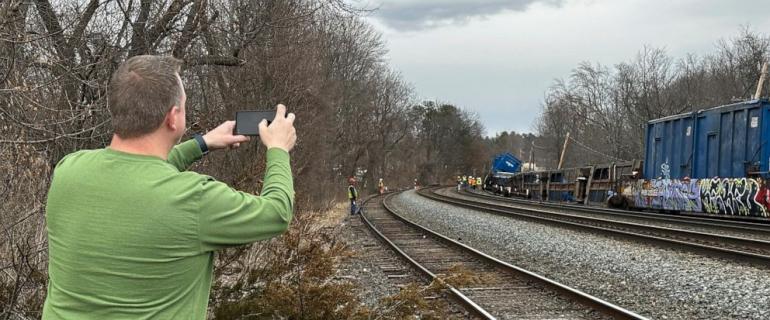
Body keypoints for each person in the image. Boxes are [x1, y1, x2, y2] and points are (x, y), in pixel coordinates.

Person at [42, 55, 297, 320]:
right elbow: (276, 212)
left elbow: (139, 175)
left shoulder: (68, 170)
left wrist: (202, 143)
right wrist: (278, 149)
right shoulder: (193, 199)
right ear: (173, 118)